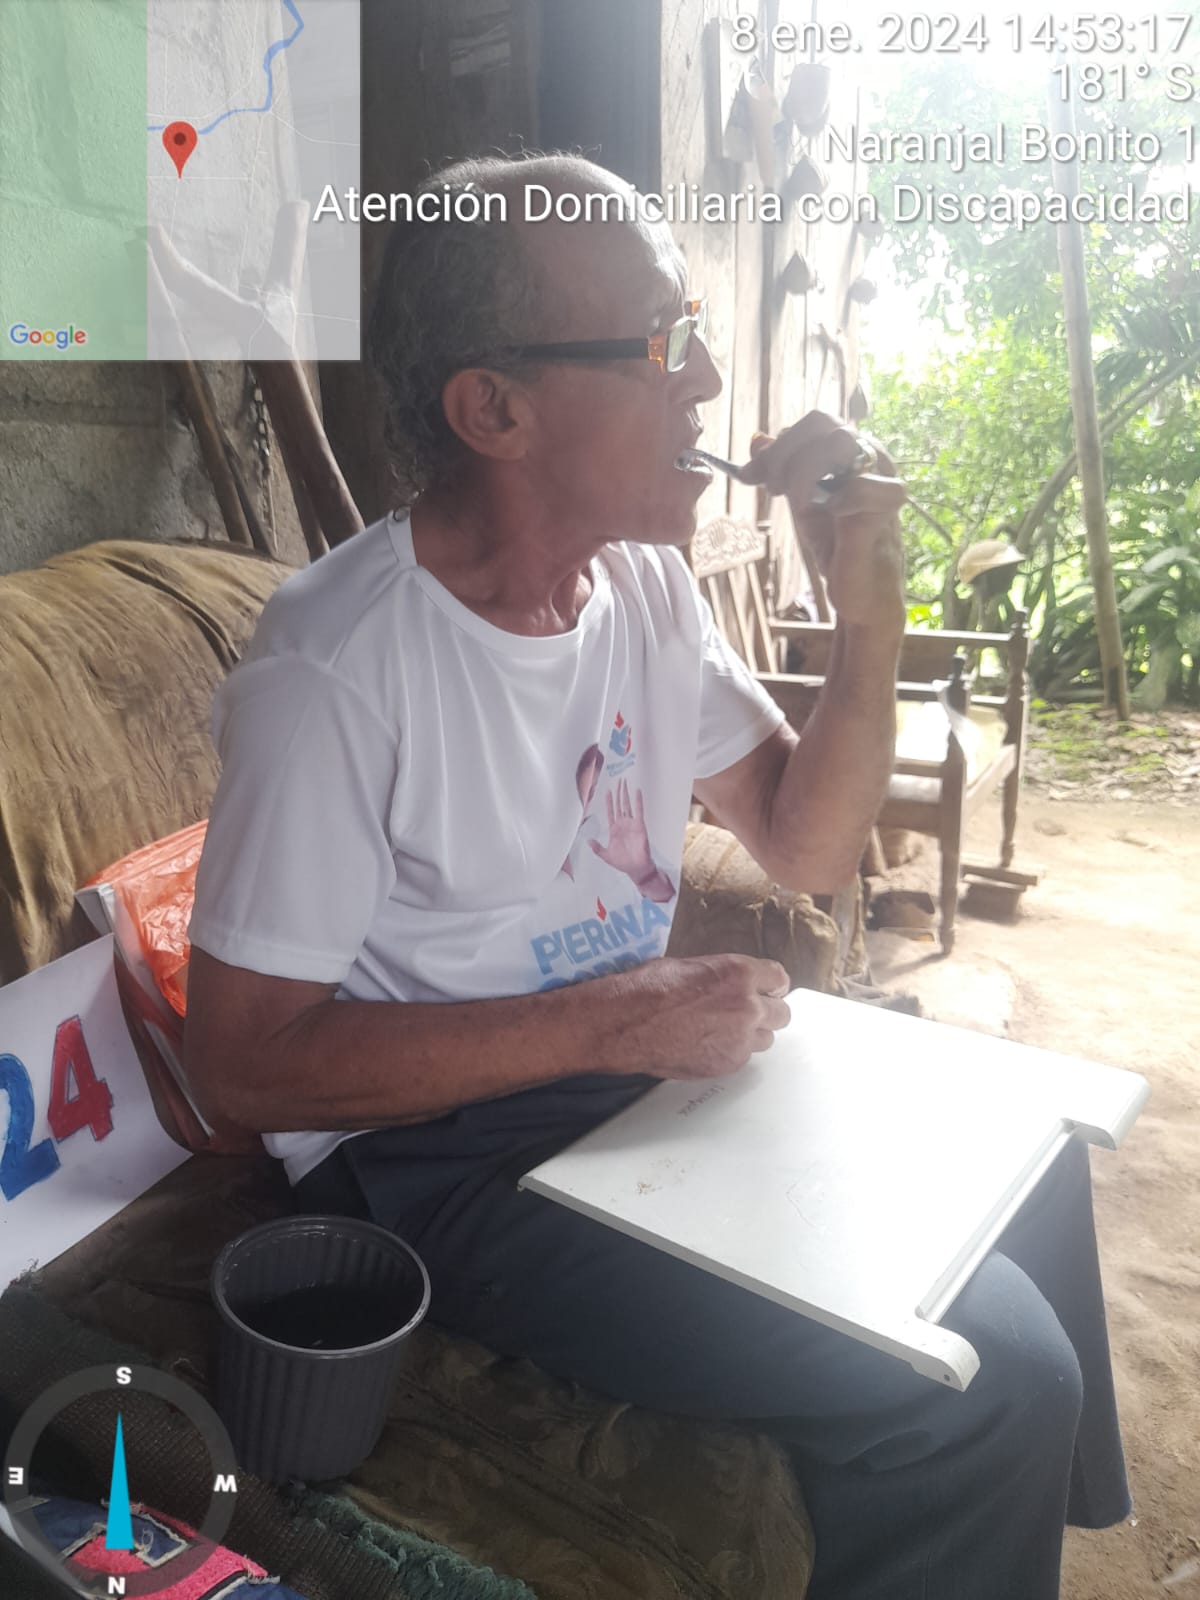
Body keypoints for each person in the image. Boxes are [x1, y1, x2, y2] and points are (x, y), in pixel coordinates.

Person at [184, 154, 1130, 1599]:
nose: (706, 383)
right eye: (659, 343)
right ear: (494, 411)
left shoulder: (641, 585)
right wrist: (619, 1019)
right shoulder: (339, 667)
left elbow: (806, 842)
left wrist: (870, 616)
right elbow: (243, 1066)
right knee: (991, 1372)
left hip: (623, 1081)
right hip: (443, 1157)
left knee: (1031, 1159)